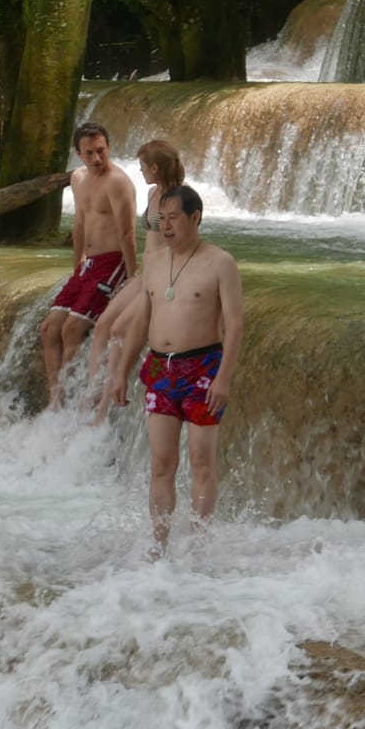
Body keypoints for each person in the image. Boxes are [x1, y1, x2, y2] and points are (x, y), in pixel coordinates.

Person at [100, 185, 243, 555]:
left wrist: (223, 378)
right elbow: (141, 320)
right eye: (161, 219)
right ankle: (159, 545)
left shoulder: (220, 262)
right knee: (162, 463)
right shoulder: (155, 262)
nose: (165, 226)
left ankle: (198, 545)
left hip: (203, 368)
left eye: (173, 218)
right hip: (159, 369)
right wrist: (121, 372)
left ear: (195, 217)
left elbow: (235, 324)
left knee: (201, 461)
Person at [84, 139, 185, 422]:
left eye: (142, 166)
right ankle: (92, 392)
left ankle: (105, 405)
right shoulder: (154, 192)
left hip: (163, 276)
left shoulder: (179, 198)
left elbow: (182, 245)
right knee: (103, 324)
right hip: (146, 273)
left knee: (118, 330)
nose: (139, 172)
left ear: (154, 167)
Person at [40, 122, 139, 409]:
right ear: (77, 154)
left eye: (101, 151)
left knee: (71, 328)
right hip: (88, 264)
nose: (96, 159)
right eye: (89, 153)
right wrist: (77, 266)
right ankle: (54, 398)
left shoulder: (118, 182)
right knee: (49, 328)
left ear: (109, 148)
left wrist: (132, 280)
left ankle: (72, 400)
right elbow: (80, 222)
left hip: (112, 262)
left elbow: (127, 233)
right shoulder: (78, 178)